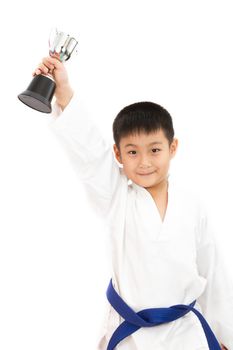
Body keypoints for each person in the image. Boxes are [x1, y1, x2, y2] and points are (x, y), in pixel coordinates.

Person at [32, 56, 233, 350]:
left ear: (172, 147)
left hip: (185, 333)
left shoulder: (192, 205)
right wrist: (62, 89)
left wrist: (224, 335)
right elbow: (89, 156)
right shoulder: (116, 197)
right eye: (132, 152)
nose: (145, 162)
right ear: (117, 154)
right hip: (131, 335)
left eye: (154, 149)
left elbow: (213, 273)